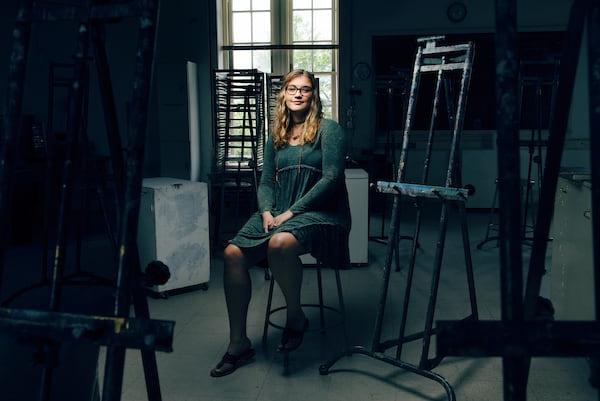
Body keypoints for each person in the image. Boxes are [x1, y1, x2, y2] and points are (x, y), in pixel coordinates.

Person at [210, 69, 351, 377]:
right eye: (292, 89)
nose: (298, 94)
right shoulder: (276, 135)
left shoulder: (330, 129)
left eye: (305, 89)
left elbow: (331, 179)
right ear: (284, 94)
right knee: (232, 254)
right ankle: (238, 345)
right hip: (280, 209)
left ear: (313, 95)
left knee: (280, 243)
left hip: (323, 211)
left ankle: (296, 317)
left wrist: (291, 213)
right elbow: (266, 182)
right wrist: (266, 211)